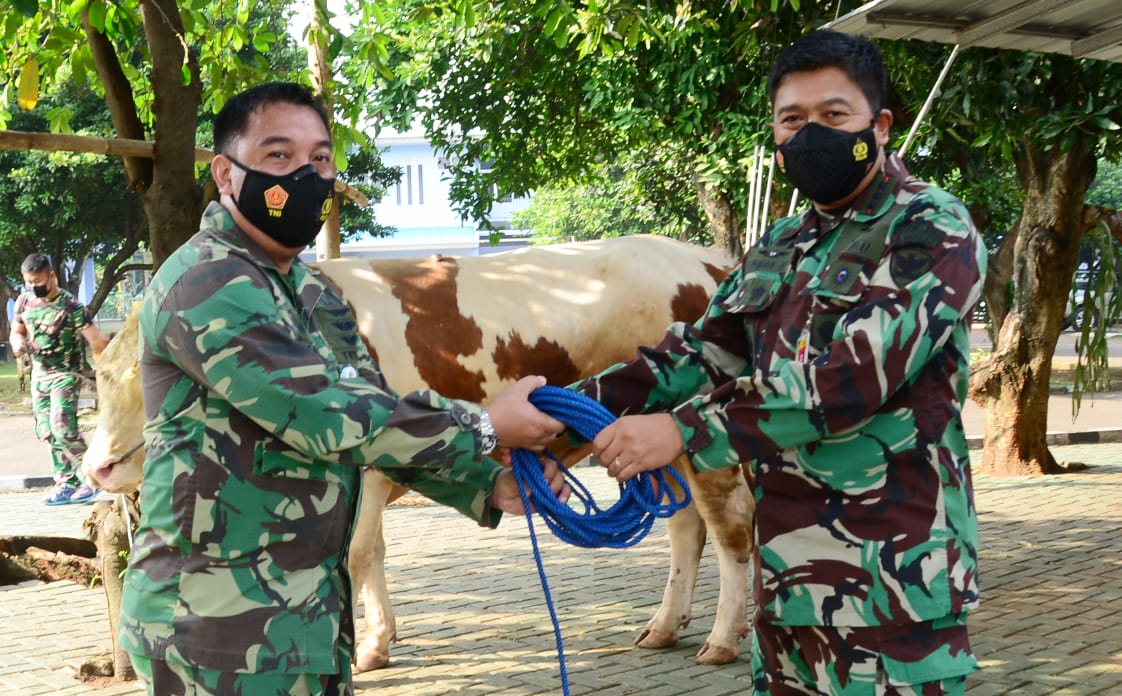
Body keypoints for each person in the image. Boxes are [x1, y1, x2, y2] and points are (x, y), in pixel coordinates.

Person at [117, 82, 569, 695]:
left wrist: (487, 482)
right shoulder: (206, 283)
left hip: (305, 619)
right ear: (226, 173)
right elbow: (323, 412)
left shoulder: (312, 293)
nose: (305, 175)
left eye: (320, 159)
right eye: (279, 156)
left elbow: (372, 418)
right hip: (214, 628)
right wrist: (484, 426)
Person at [574, 30, 985, 695]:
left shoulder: (931, 228)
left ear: (878, 126)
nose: (811, 135)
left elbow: (849, 379)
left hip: (891, 591)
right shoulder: (783, 244)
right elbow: (701, 352)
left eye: (834, 117)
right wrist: (562, 411)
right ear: (774, 133)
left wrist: (684, 432)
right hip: (788, 588)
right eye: (793, 120)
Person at [9, 253, 109, 505]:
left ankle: (93, 477)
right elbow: (17, 330)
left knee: (62, 425)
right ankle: (67, 482)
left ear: (51, 276)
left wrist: (106, 372)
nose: (34, 287)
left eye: (39, 281)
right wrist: (17, 342)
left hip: (66, 373)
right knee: (47, 431)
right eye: (29, 282)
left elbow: (97, 341)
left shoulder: (72, 307)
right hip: (40, 375)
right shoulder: (23, 302)